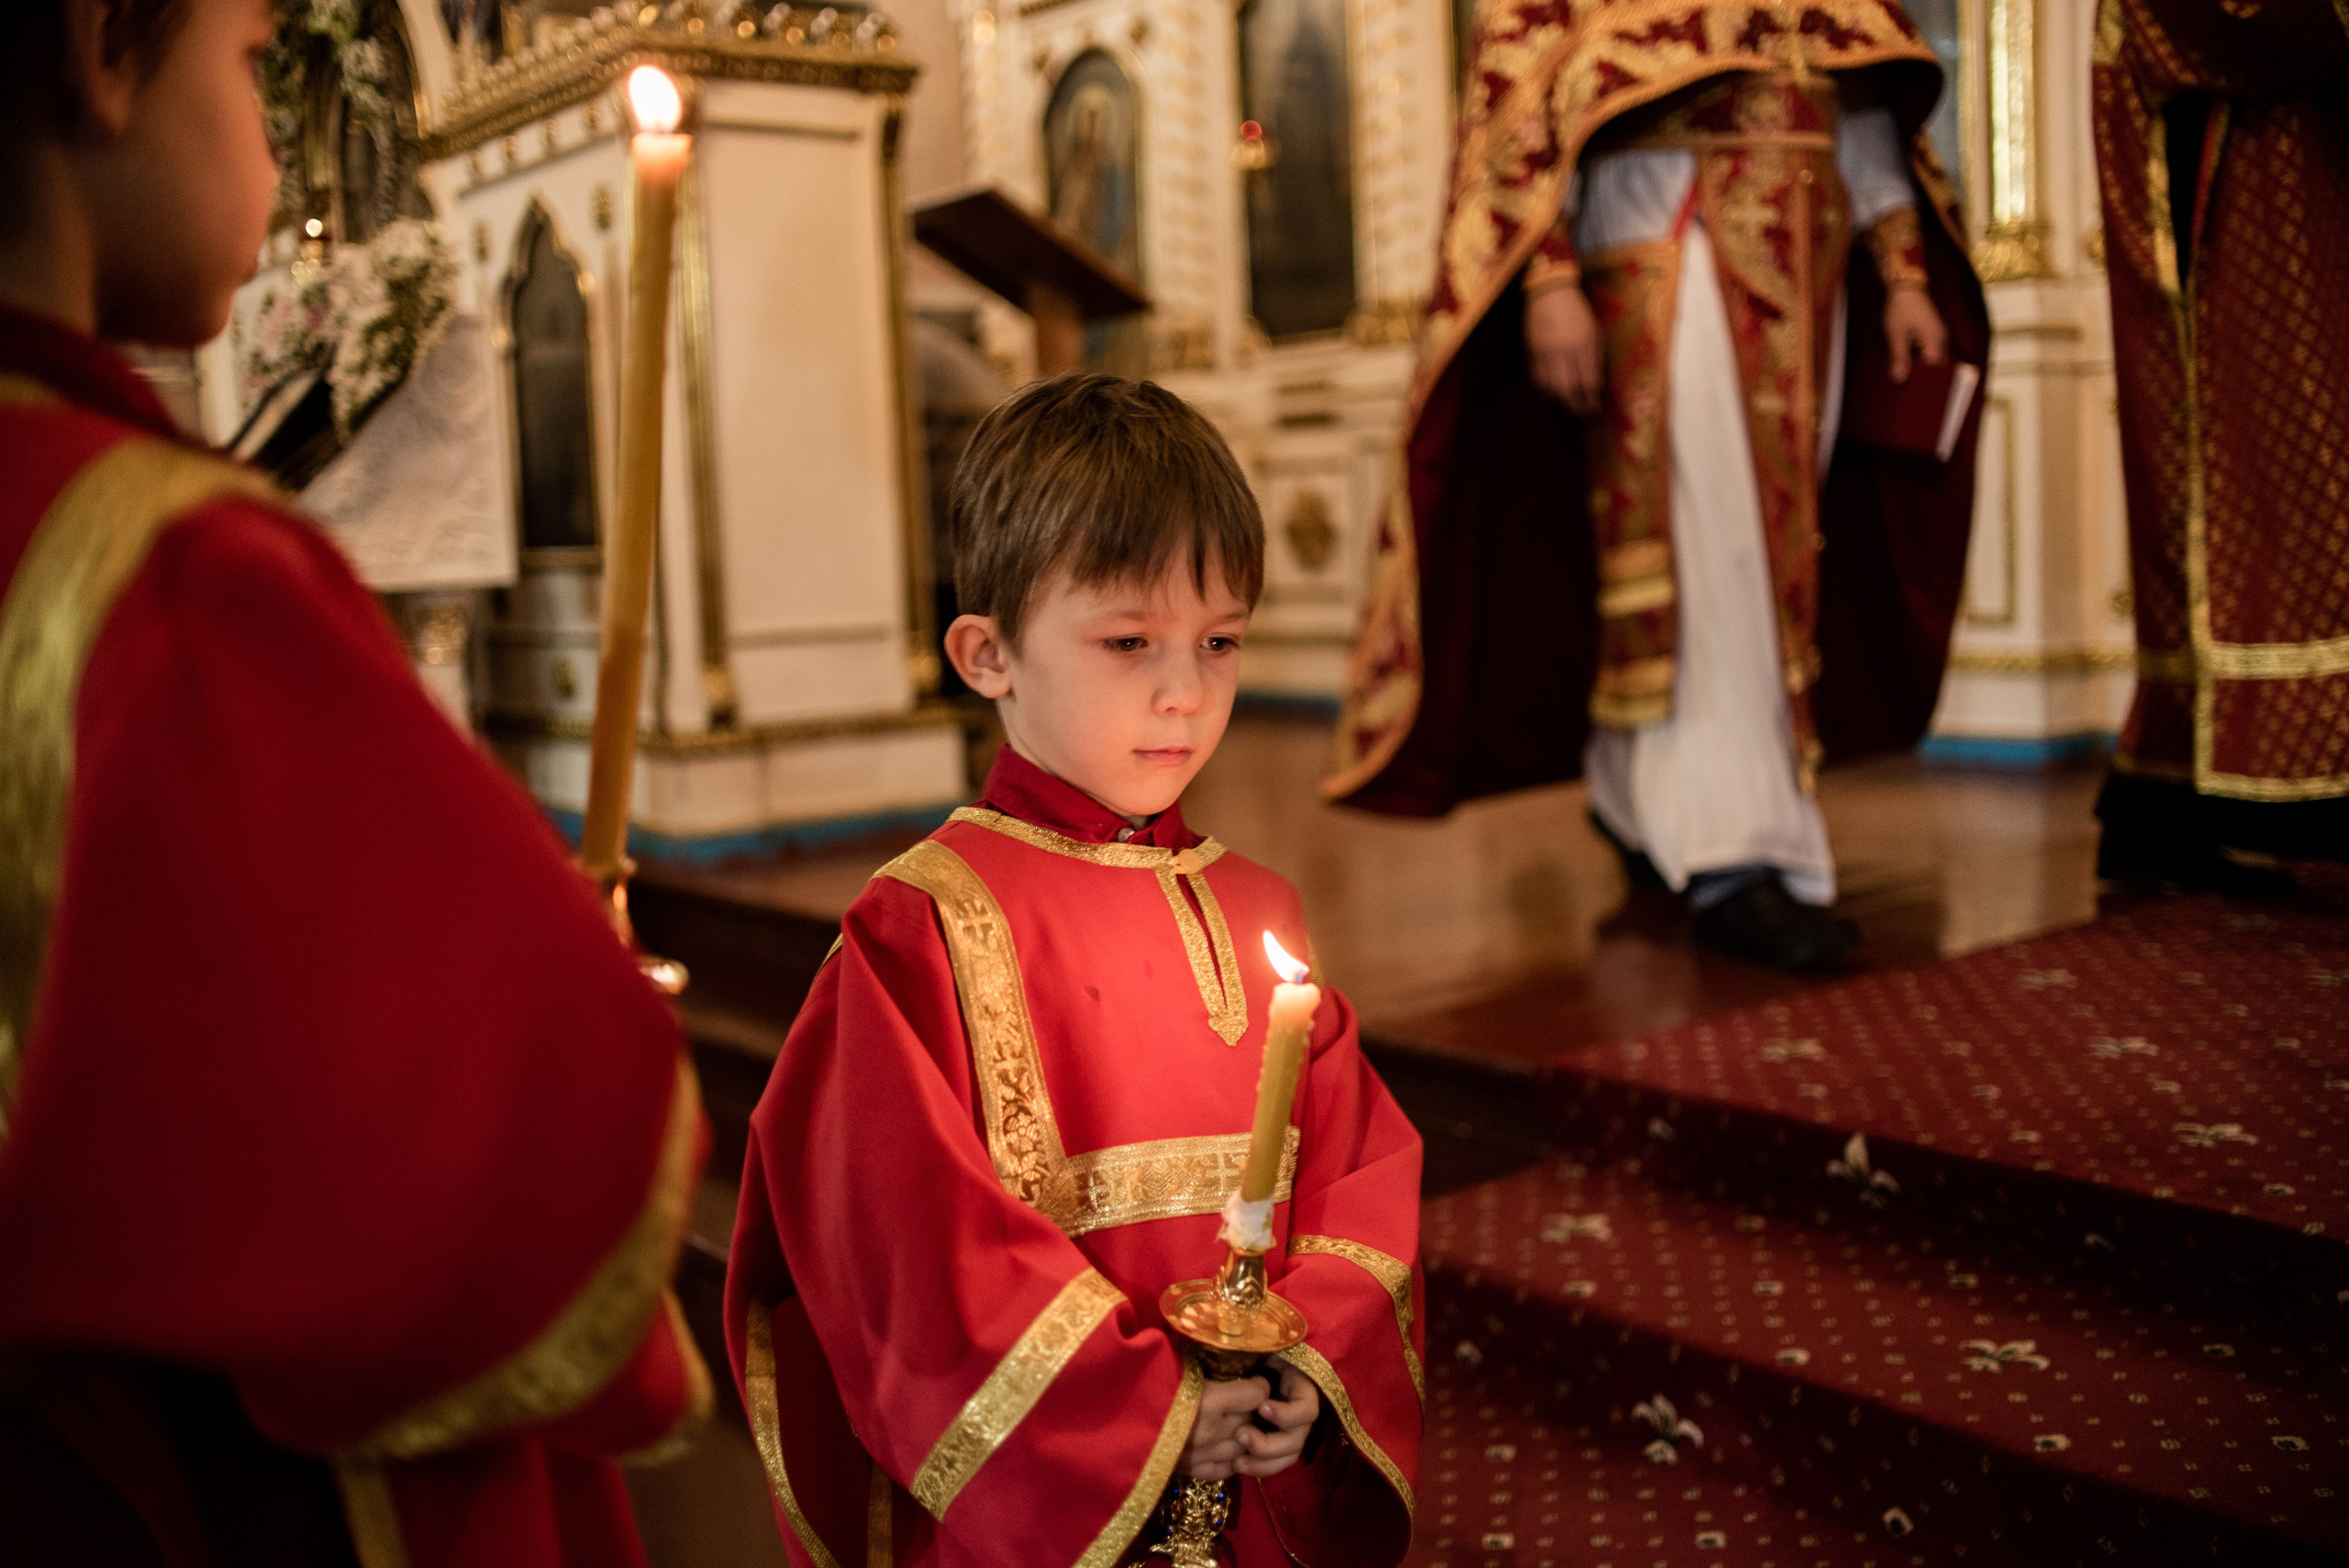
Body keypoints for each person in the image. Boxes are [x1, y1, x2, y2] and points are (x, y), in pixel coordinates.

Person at [0, 4, 710, 1565]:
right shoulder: (155, 570)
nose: (268, 140)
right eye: (253, 66)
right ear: (102, 52)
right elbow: (536, 1152)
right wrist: (563, 984)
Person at [724, 374, 1421, 1567]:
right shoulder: (917, 928)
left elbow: (1360, 1171)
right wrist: (1145, 1415)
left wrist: (1313, 1361)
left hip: (1248, 1486)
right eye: (1128, 641)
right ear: (987, 654)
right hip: (1045, 1512)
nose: (1185, 690)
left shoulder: (1258, 910)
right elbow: (911, 1248)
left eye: (1220, 641)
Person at [1327, 1, 1987, 971]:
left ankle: (1637, 793)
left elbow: (1853, 82)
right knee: (1712, 548)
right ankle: (1733, 849)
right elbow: (1518, 94)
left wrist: (1902, 269)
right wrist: (1546, 278)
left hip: (1812, 256)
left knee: (1777, 553)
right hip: (1669, 241)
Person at [2090, 0, 2349, 885]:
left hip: (2303, 178)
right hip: (2233, 195)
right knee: (2285, 499)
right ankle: (2265, 785)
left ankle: (2196, 795)